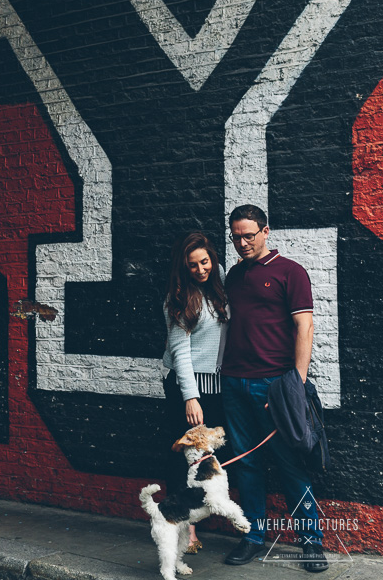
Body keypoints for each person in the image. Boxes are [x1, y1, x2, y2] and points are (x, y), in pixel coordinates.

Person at [220, 204, 328, 573]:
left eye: (249, 235)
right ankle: (252, 536)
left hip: (274, 385)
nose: (242, 242)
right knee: (246, 464)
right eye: (236, 236)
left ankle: (311, 541)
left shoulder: (291, 272)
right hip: (234, 382)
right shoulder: (233, 276)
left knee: (290, 464)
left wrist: (295, 384)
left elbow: (305, 328)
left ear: (266, 232)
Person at [161, 232, 230, 554]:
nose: (201, 269)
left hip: (217, 388)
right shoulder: (178, 298)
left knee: (209, 461)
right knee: (185, 462)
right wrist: (191, 397)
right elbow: (181, 352)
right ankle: (185, 530)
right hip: (188, 389)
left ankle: (199, 518)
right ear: (183, 267)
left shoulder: (219, 290)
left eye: (205, 261)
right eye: (193, 265)